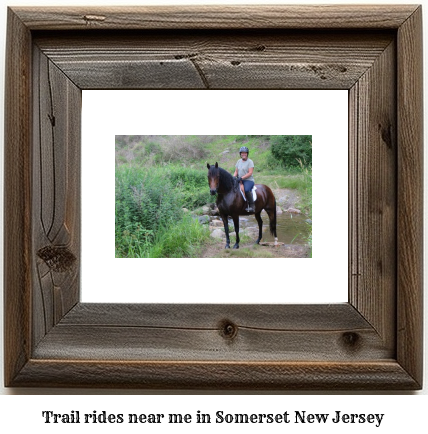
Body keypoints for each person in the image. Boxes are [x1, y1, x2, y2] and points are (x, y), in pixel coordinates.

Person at [233, 146, 255, 212]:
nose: (243, 154)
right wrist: (234, 177)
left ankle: (252, 206)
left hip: (248, 180)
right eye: (242, 153)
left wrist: (241, 178)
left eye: (245, 153)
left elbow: (250, 173)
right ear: (240, 154)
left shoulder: (250, 162)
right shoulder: (238, 161)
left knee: (246, 189)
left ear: (247, 154)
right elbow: (236, 171)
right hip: (239, 180)